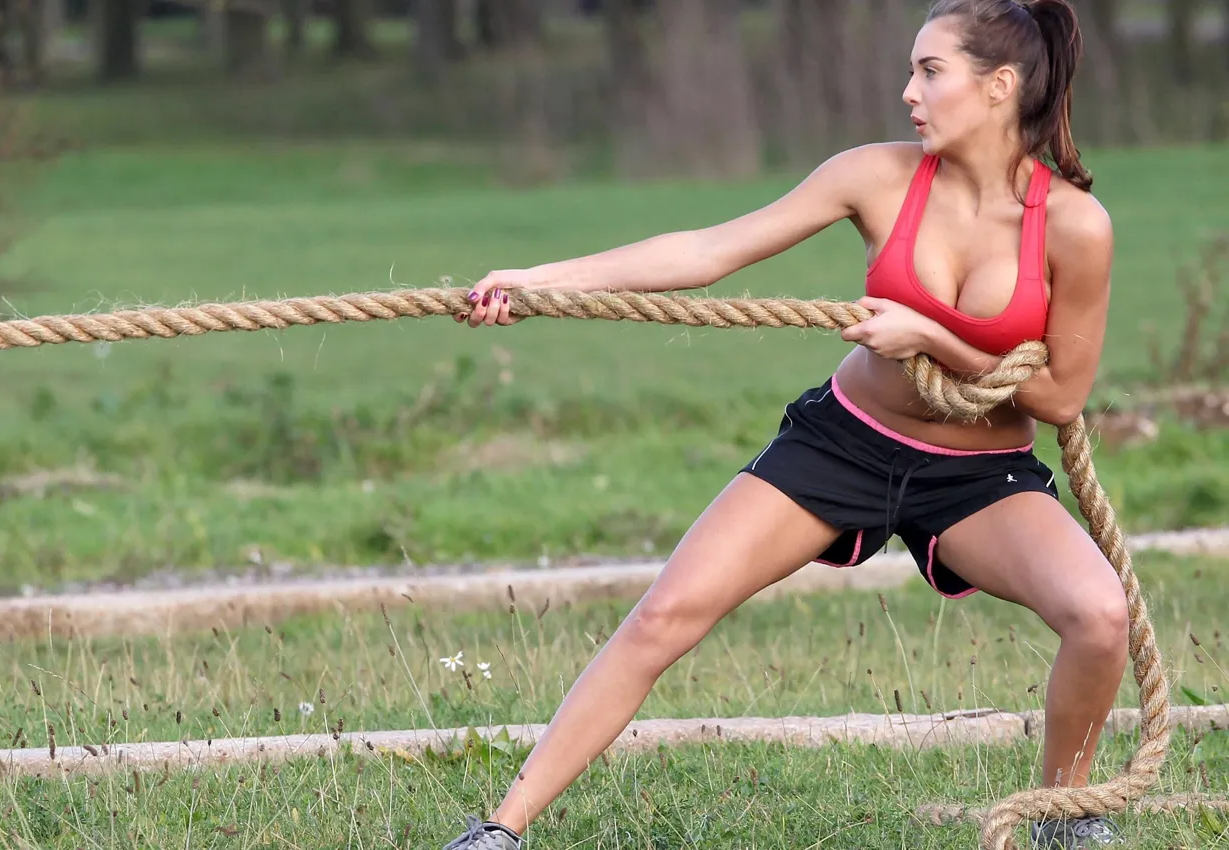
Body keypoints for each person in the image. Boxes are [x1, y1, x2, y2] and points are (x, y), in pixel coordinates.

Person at [442, 1, 1124, 847]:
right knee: (666, 613)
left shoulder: (1074, 226)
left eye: (929, 71)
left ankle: (1068, 817)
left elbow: (1058, 397)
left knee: (1101, 616)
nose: (908, 91)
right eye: (912, 70)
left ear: (1000, 86)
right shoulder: (875, 175)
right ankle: (502, 831)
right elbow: (705, 252)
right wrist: (536, 284)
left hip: (978, 476)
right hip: (843, 444)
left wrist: (931, 337)